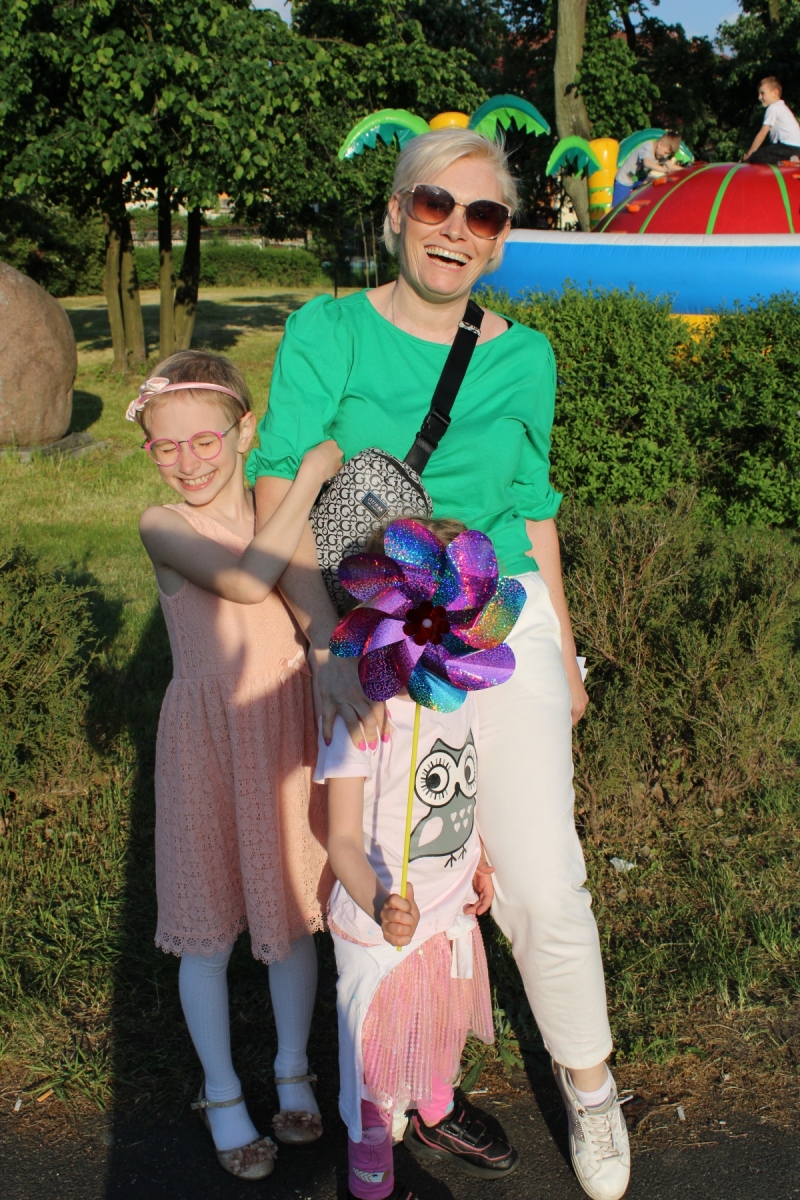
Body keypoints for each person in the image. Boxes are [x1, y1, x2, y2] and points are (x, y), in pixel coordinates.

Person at [249, 127, 630, 1200]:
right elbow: (279, 486)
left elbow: (533, 510)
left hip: (503, 619)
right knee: (398, 873)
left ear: (501, 241)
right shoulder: (327, 330)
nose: (455, 230)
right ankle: (399, 1081)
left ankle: (589, 1085)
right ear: (394, 214)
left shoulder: (526, 355)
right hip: (379, 628)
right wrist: (327, 640)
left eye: (483, 215)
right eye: (434, 205)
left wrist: (564, 649)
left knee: (541, 877)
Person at [133, 350, 343, 1180]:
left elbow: (309, 596)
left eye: (205, 441)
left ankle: (293, 1070)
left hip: (281, 732)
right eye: (166, 445)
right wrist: (312, 474)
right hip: (209, 743)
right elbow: (253, 585)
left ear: (244, 432)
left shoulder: (270, 510)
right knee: (209, 926)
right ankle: (222, 1092)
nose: (187, 462)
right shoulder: (162, 523)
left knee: (289, 912)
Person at [318, 517, 517, 1200]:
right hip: (385, 924)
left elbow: (463, 785)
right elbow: (342, 841)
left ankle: (435, 1108)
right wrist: (380, 903)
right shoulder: (358, 718)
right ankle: (371, 1156)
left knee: (439, 1021)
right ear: (382, 616)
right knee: (373, 1056)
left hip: (447, 907)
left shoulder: (457, 695)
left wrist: (478, 857)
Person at [612, 131, 683, 207]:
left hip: (636, 179)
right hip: (625, 179)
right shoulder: (647, 147)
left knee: (652, 183)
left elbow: (671, 166)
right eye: (666, 152)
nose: (666, 156)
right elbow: (647, 163)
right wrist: (665, 170)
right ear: (660, 144)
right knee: (618, 207)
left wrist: (686, 170)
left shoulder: (660, 153)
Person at [743, 76, 800, 164]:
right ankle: (791, 159)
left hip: (788, 147)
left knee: (756, 156)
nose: (759, 97)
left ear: (775, 93)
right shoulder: (782, 107)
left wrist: (749, 154)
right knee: (767, 151)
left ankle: (788, 160)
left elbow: (762, 134)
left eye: (762, 93)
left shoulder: (773, 107)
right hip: (796, 148)